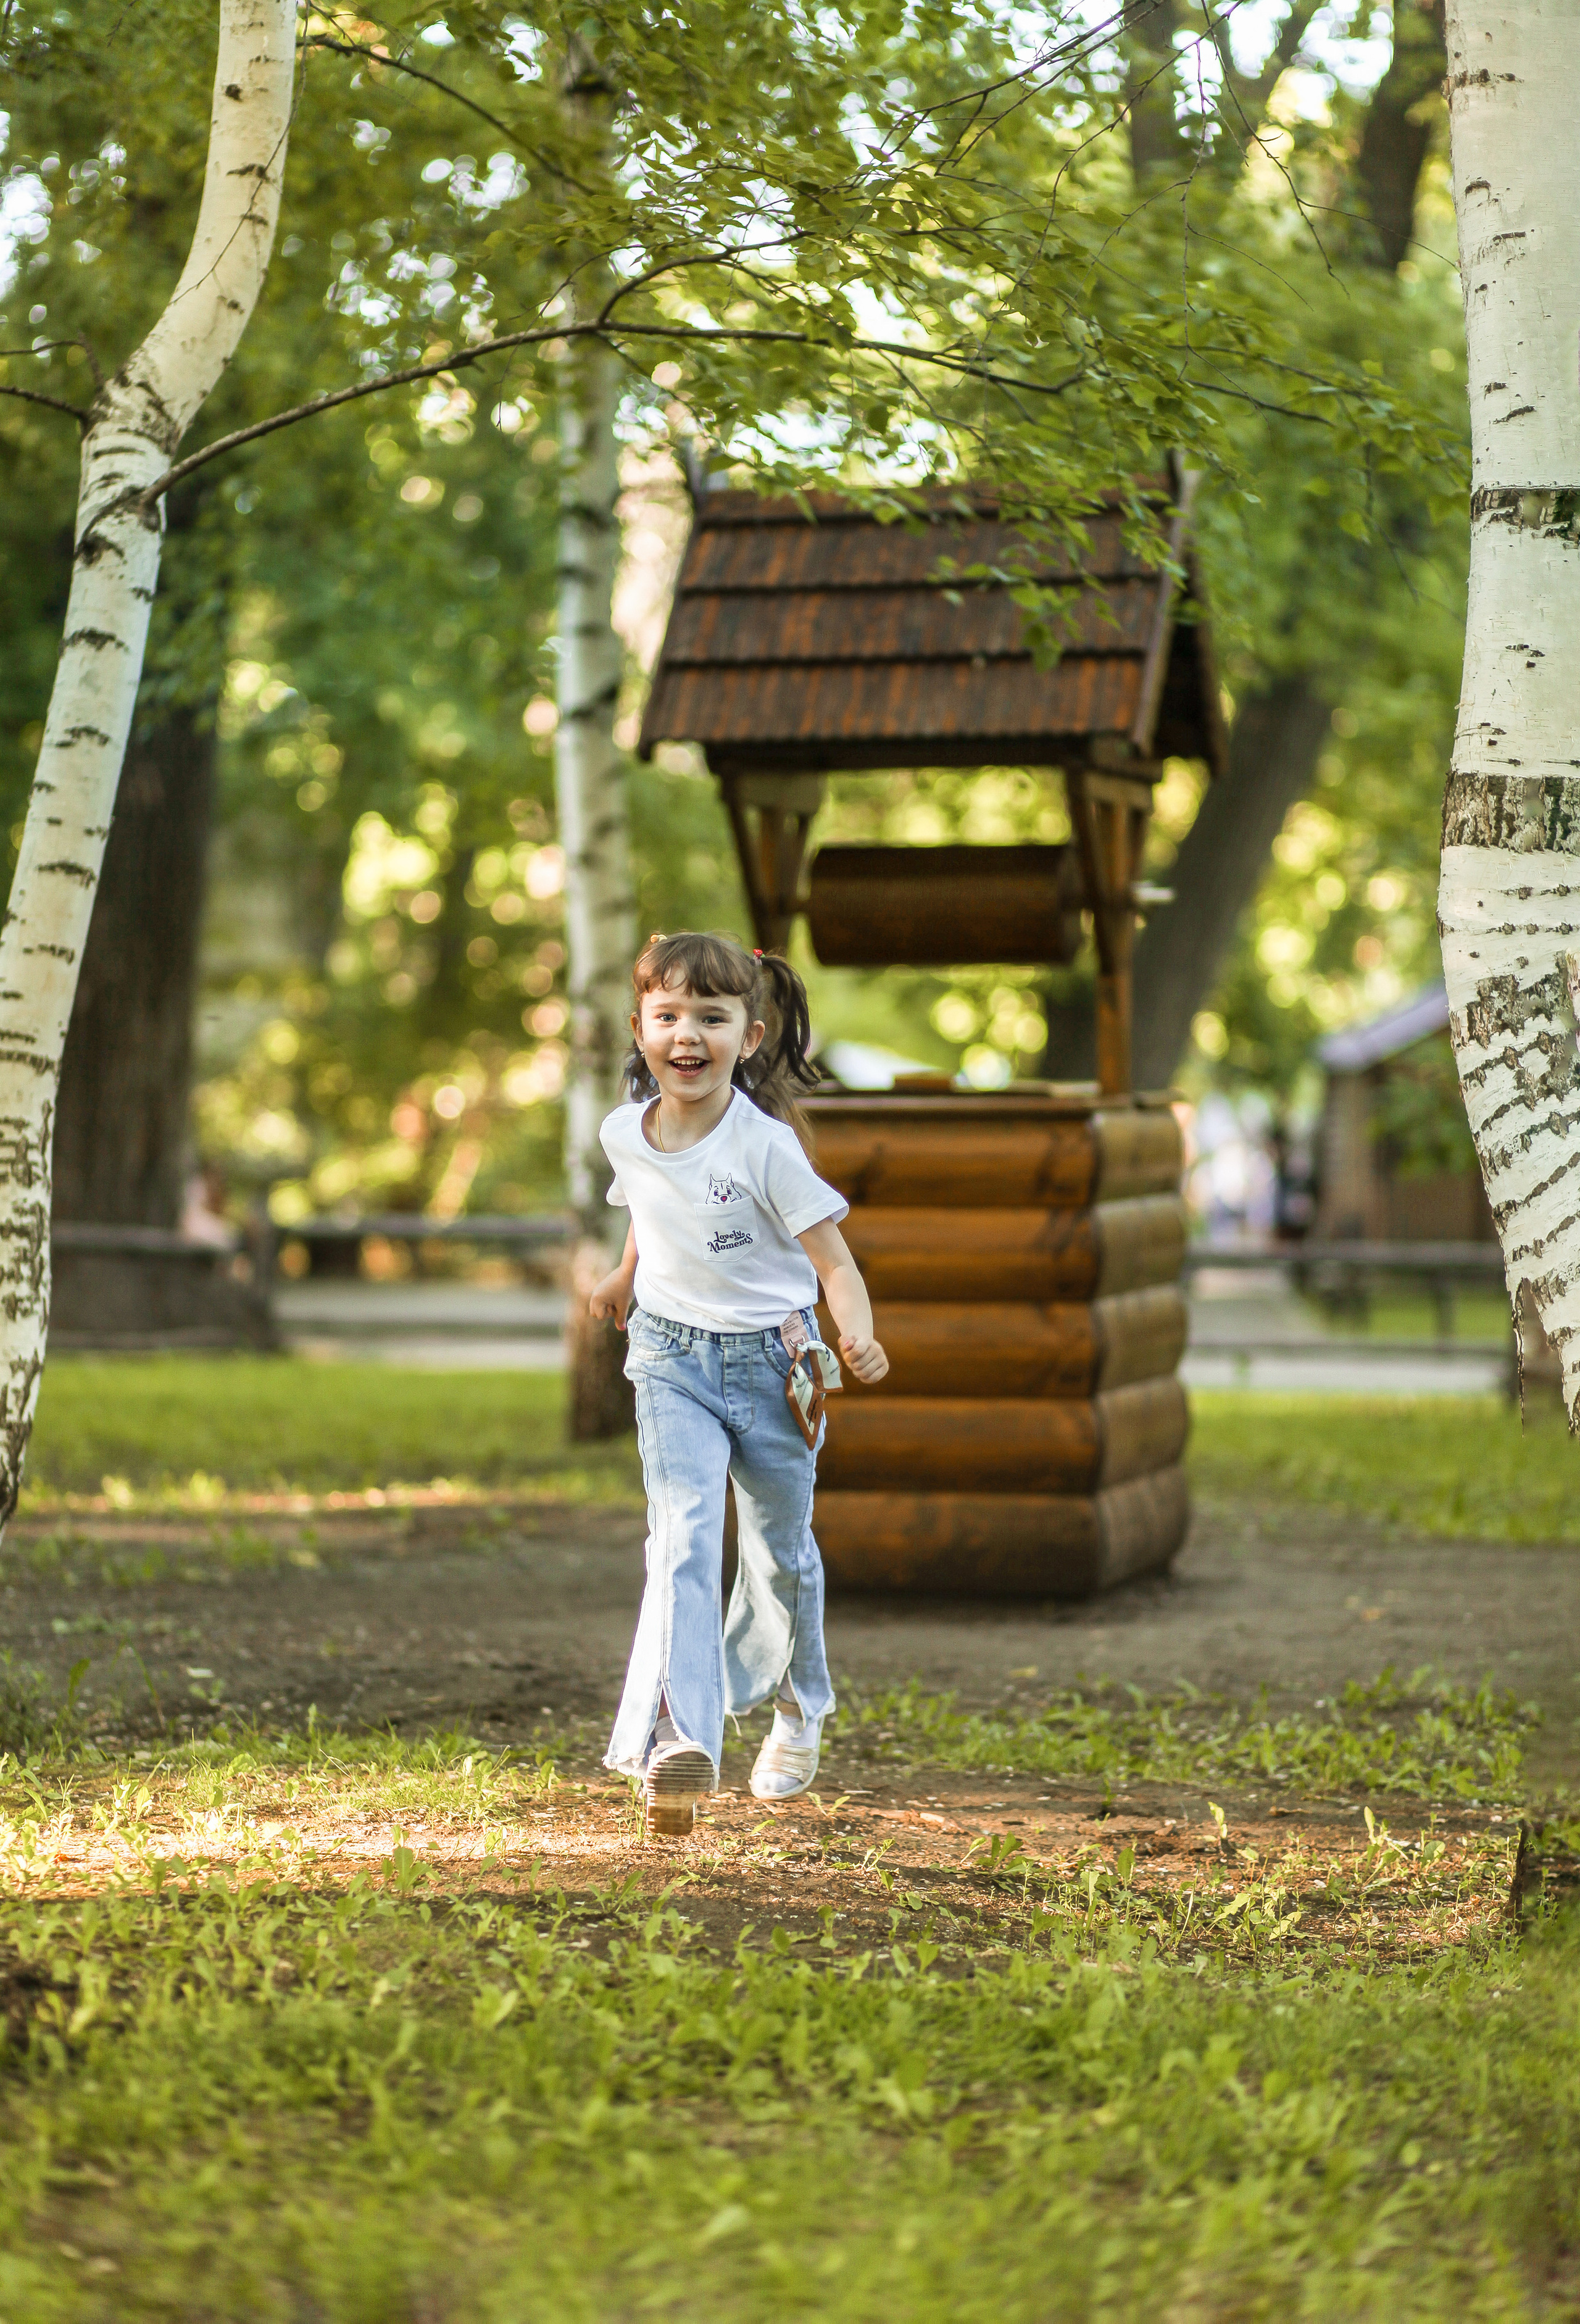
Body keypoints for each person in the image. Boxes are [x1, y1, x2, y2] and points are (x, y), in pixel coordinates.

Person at [589, 930, 889, 1836]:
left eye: (711, 1018)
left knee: (778, 1550)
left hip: (774, 1362)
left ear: (749, 1038)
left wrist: (858, 1330)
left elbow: (834, 1263)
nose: (687, 1034)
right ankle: (681, 1742)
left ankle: (801, 1704)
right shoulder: (622, 1131)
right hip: (672, 1358)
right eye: (668, 1014)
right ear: (639, 1026)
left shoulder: (766, 1149)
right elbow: (650, 1208)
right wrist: (623, 1274)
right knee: (680, 1535)